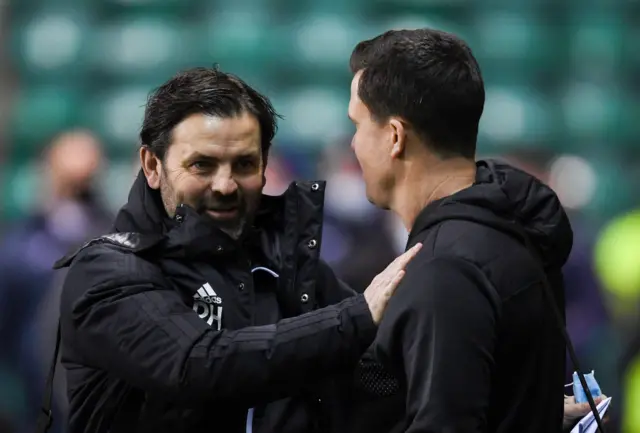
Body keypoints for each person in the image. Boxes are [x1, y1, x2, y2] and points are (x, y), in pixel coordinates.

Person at [52, 67, 421, 433]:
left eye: (244, 164)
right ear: (152, 166)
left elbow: (379, 383)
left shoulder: (289, 273)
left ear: (264, 167)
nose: (226, 185)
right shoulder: (108, 271)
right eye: (202, 165)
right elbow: (195, 365)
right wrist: (355, 318)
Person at [337, 28, 573, 433]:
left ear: (394, 136)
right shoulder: (510, 230)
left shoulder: (445, 270)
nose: (354, 144)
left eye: (357, 125)